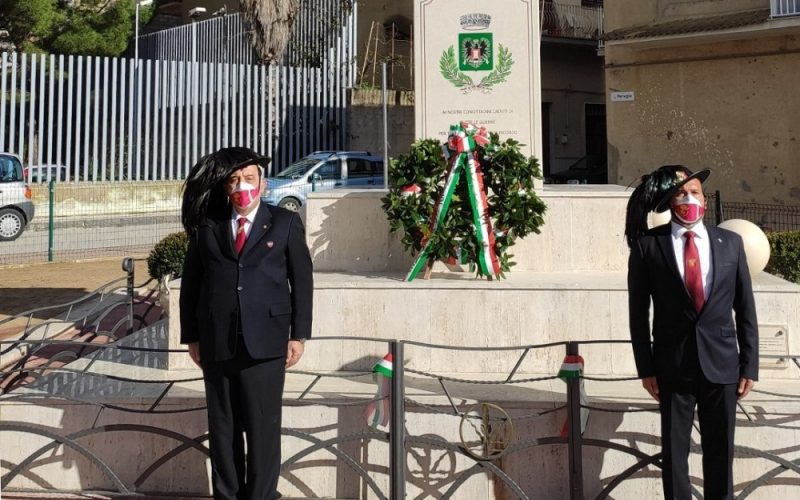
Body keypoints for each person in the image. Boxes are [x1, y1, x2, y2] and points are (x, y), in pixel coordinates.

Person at [179, 147, 313, 500]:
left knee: (262, 429)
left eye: (249, 179)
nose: (242, 186)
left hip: (266, 343)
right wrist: (191, 336)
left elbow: (302, 281)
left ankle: (262, 495)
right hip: (217, 341)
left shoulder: (284, 223)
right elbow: (192, 283)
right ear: (225, 187)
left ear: (263, 183)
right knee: (223, 429)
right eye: (235, 180)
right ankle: (227, 495)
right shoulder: (208, 226)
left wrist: (298, 335)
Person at [625, 165, 758, 500]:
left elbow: (745, 308)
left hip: (723, 365)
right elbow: (638, 314)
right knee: (674, 457)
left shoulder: (731, 243)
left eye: (695, 191)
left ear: (705, 199)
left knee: (720, 454)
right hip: (673, 366)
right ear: (671, 202)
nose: (689, 197)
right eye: (681, 193)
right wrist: (647, 368)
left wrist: (750, 365)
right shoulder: (648, 247)